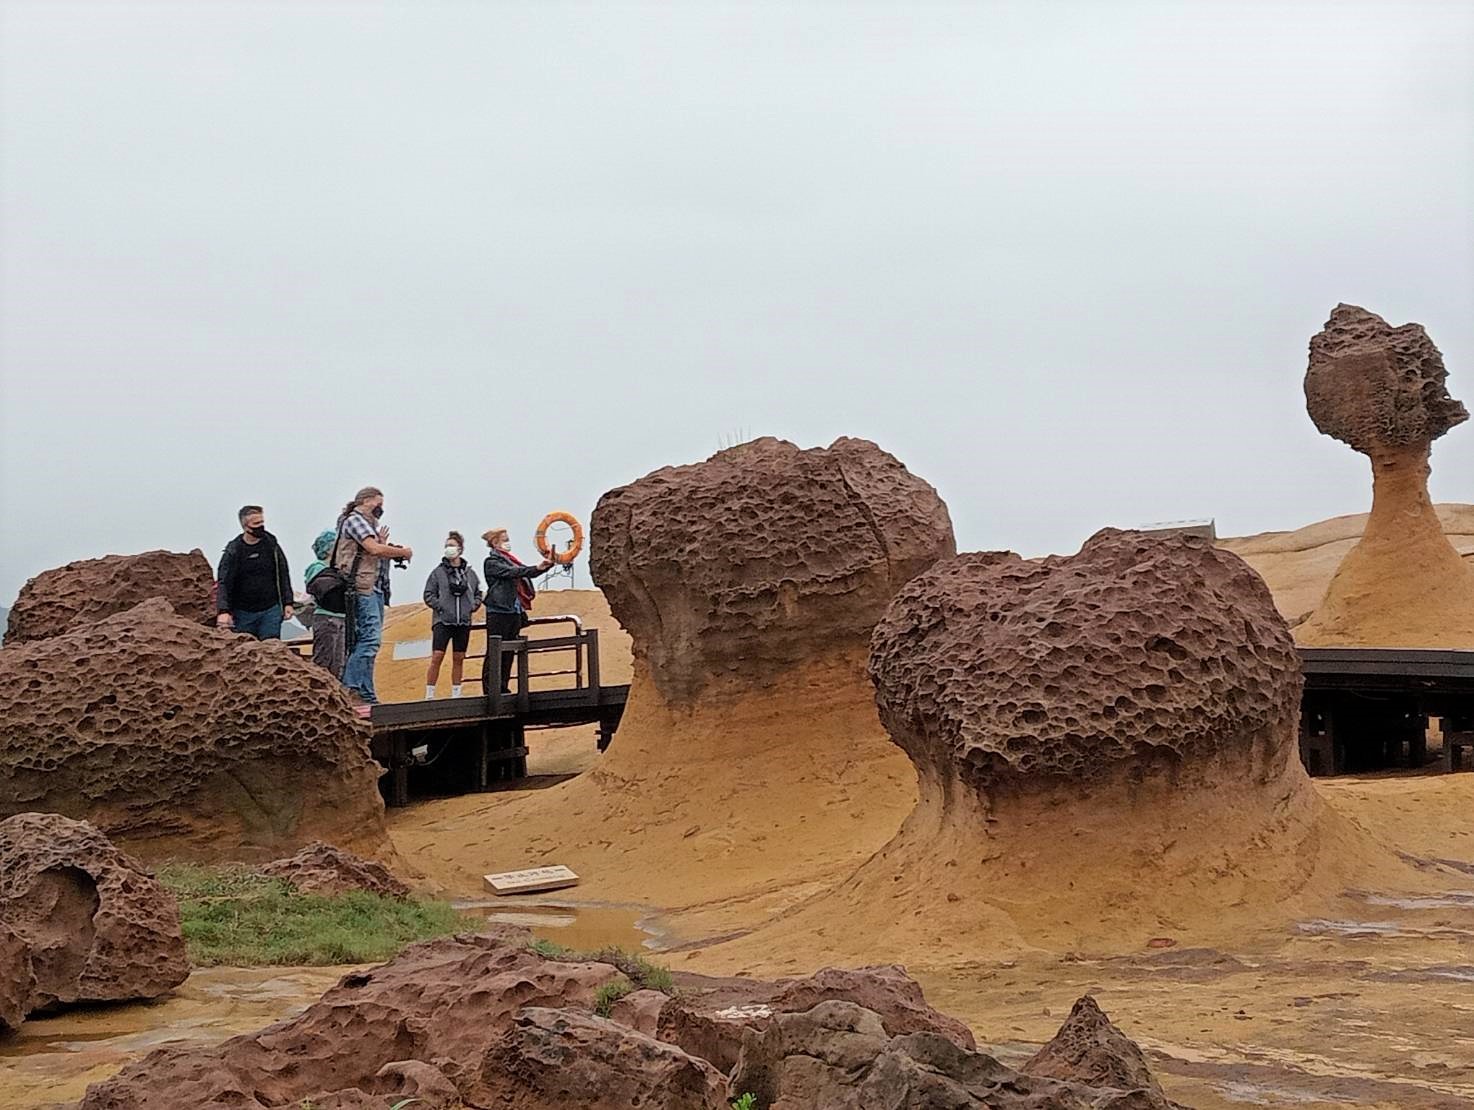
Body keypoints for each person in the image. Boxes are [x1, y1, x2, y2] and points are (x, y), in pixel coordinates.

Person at [335, 487, 413, 707]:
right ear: (366, 500)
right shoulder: (355, 520)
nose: (381, 508)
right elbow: (373, 549)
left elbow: (374, 549)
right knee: (369, 640)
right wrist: (402, 552)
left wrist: (383, 544)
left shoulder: (367, 525)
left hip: (374, 587)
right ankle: (352, 688)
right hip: (364, 587)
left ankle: (366, 692)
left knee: (370, 642)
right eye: (378, 503)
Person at [481, 527, 553, 693]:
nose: (508, 543)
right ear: (495, 542)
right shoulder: (492, 562)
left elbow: (525, 572)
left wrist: (544, 567)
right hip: (498, 611)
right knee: (495, 651)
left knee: (509, 652)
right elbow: (514, 572)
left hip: (513, 611)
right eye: (504, 539)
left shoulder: (510, 560)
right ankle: (491, 689)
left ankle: (503, 687)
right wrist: (536, 567)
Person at [215, 505, 294, 639]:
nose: (261, 526)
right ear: (246, 527)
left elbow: (283, 573)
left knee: (271, 648)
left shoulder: (271, 544)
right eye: (256, 523)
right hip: (243, 612)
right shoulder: (234, 550)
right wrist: (224, 611)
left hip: (271, 609)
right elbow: (224, 582)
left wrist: (288, 602)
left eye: (262, 522)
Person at [422, 532, 483, 699]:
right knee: (437, 656)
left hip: (463, 621)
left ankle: (456, 693)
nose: (449, 549)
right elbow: (428, 594)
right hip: (443, 621)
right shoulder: (437, 572)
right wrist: (440, 607)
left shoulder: (470, 573)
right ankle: (429, 694)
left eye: (452, 545)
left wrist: (473, 606)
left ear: (460, 549)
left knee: (459, 657)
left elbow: (478, 592)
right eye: (447, 545)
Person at [303, 530, 347, 677]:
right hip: (326, 616)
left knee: (338, 661)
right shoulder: (317, 567)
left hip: (341, 616)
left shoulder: (338, 568)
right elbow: (319, 590)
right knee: (324, 659)